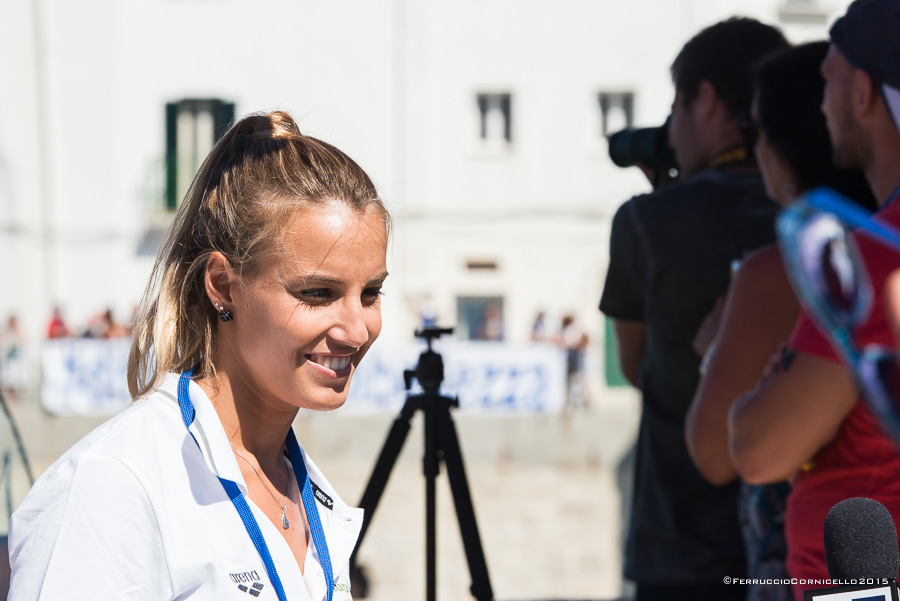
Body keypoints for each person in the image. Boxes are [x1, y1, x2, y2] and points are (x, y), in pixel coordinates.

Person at [8, 111, 390, 601]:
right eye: (318, 292)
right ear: (223, 286)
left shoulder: (301, 486)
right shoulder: (116, 484)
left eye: (371, 292)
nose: (357, 329)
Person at [600, 17, 789, 601]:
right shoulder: (816, 211)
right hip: (798, 546)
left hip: (678, 547)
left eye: (676, 107)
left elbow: (637, 367)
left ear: (705, 98)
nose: (671, 132)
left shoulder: (646, 222)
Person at [685, 41, 876, 601]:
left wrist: (714, 355)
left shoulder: (780, 272)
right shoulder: (877, 240)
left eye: (755, 131)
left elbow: (721, 454)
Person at [728, 1, 900, 597]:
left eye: (828, 73)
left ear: (862, 94)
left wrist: (755, 399)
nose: (821, 97)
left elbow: (758, 449)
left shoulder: (880, 253)